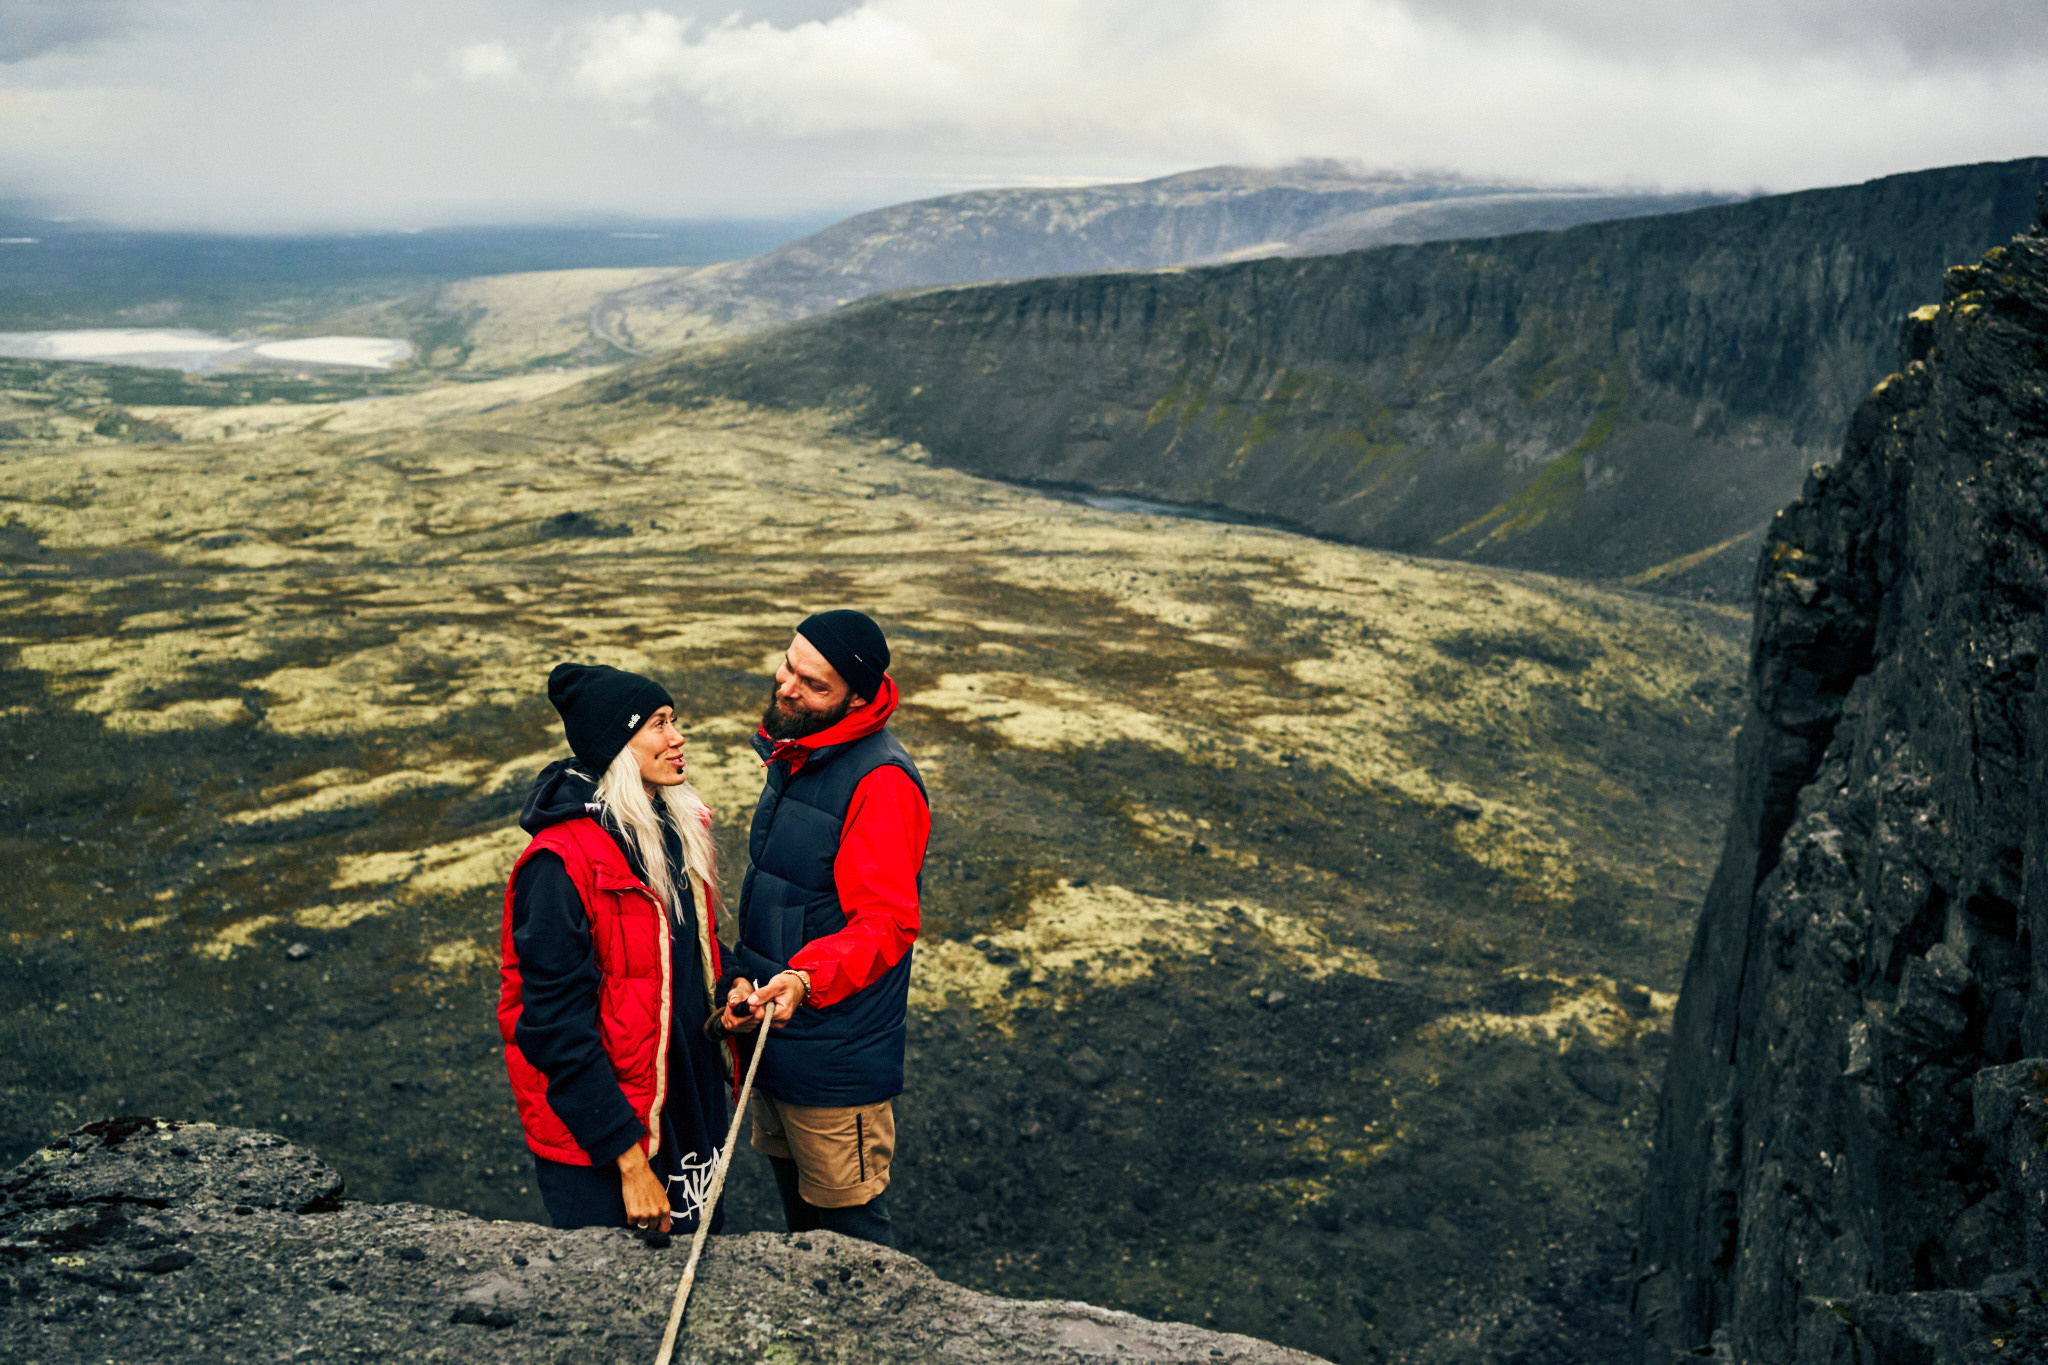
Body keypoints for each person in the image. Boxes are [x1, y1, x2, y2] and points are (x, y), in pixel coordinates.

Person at [715, 609, 930, 1249]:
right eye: (789, 666)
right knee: (802, 1233)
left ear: (857, 698)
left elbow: (887, 923)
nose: (788, 687)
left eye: (815, 685)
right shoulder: (803, 753)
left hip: (834, 1057)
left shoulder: (880, 782)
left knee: (851, 1241)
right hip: (775, 1036)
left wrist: (807, 978)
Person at [497, 662, 735, 1234]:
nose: (678, 738)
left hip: (682, 1106)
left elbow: (689, 954)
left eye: (673, 720)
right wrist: (629, 1163)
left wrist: (733, 987)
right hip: (604, 1140)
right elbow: (552, 1027)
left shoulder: (672, 832)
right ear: (617, 745)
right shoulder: (559, 867)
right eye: (657, 724)